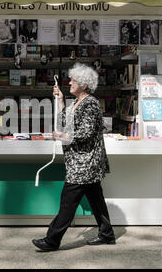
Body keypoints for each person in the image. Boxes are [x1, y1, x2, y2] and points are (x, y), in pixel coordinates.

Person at [32, 63, 115, 251]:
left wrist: (61, 136)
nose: (69, 82)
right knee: (96, 200)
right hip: (82, 162)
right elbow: (64, 122)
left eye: (74, 80)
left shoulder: (90, 103)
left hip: (84, 163)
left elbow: (84, 133)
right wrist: (60, 101)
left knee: (67, 203)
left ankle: (52, 240)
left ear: (84, 85)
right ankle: (107, 233)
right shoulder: (77, 103)